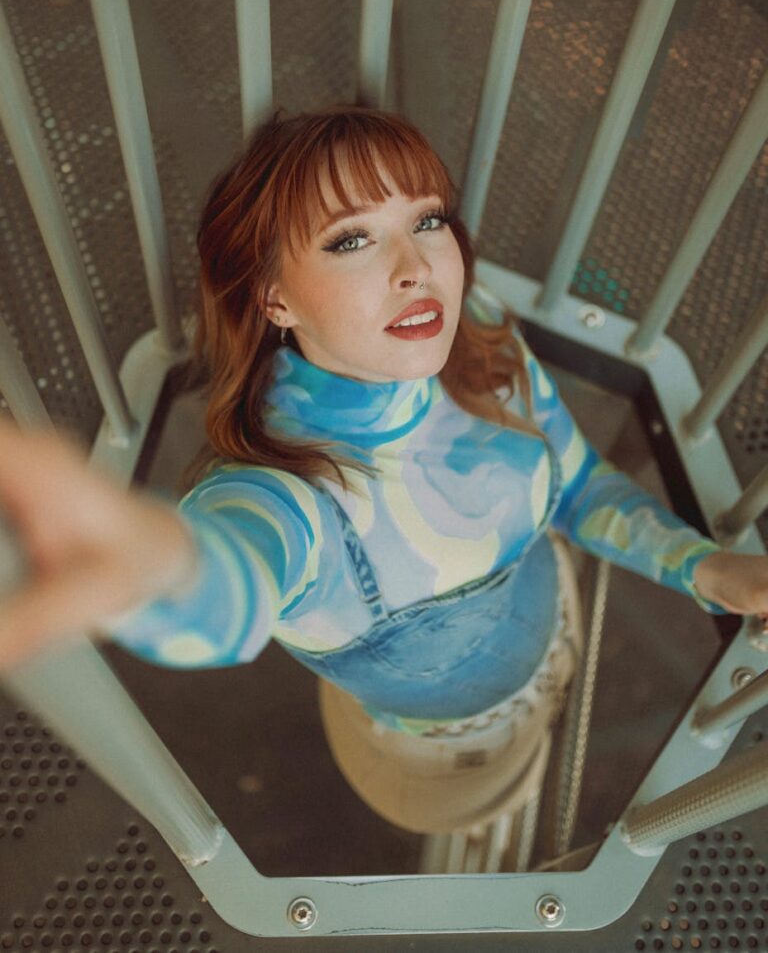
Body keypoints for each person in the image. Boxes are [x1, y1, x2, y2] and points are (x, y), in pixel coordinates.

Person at [0, 107, 766, 839]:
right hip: (425, 740)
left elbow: (577, 485)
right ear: (274, 297)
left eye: (426, 220)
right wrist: (159, 565)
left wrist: (709, 568)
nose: (417, 268)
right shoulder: (283, 489)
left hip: (546, 631)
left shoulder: (482, 326)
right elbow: (235, 571)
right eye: (350, 240)